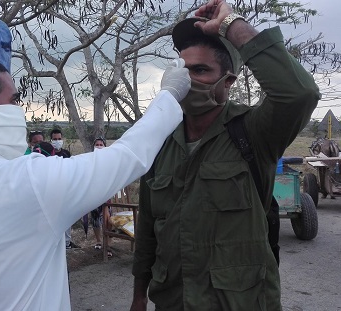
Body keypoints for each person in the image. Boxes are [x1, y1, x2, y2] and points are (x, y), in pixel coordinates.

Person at [0, 52, 190, 310]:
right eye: (13, 101)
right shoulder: (26, 183)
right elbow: (126, 157)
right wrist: (169, 95)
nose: (20, 111)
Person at [130, 1, 320, 310]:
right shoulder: (161, 139)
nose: (186, 80)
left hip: (239, 301)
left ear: (228, 81)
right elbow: (149, 228)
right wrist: (139, 296)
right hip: (173, 301)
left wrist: (231, 24)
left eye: (201, 70)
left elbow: (299, 94)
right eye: (182, 70)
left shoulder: (253, 132)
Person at [49, 128, 77, 249]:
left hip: (66, 189)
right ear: (51, 140)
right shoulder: (48, 154)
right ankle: (55, 243)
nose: (57, 141)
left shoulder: (66, 153)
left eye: (59, 139)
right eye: (55, 139)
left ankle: (67, 243)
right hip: (52, 191)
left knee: (67, 217)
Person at [89, 137, 112, 256]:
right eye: (96, 144)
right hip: (94, 196)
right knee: (95, 221)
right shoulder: (90, 161)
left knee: (107, 220)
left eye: (101, 144)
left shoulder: (109, 162)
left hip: (106, 196)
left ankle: (107, 245)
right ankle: (98, 241)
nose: (98, 146)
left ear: (105, 146)